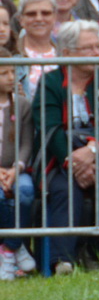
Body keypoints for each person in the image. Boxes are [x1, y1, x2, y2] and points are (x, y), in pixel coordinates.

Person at [36, 20, 99, 273]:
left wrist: (91, 152)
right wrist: (72, 161)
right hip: (59, 157)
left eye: (98, 46)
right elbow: (49, 126)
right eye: (88, 48)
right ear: (66, 53)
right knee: (64, 190)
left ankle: (95, 250)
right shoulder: (51, 82)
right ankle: (62, 261)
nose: (97, 53)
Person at [0, 57, 37, 278]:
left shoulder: (22, 104)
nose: (11, 78)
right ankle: (17, 245)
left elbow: (26, 143)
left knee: (25, 192)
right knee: (0, 198)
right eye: (4, 74)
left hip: (16, 169)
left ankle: (9, 247)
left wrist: (16, 168)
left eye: (13, 72)